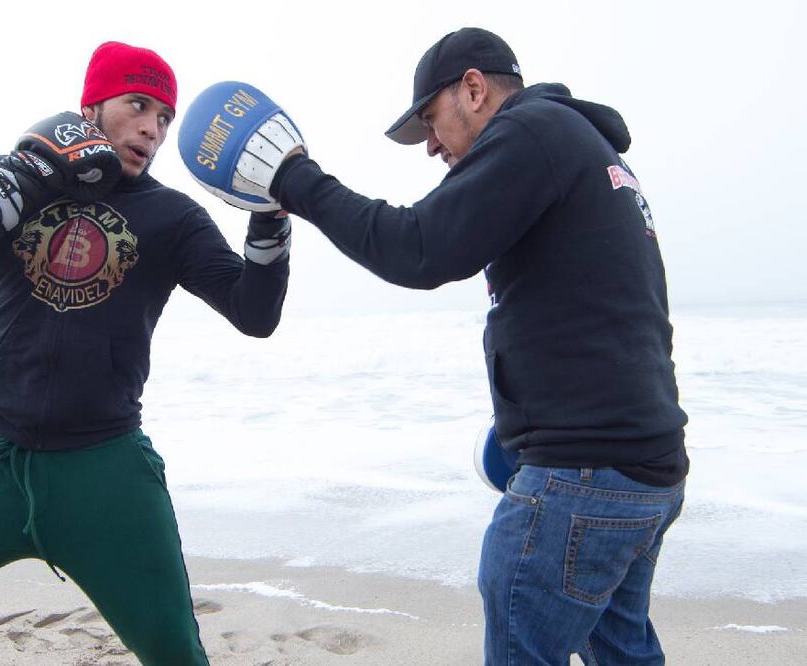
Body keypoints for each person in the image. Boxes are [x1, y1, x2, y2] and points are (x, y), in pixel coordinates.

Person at [0, 41, 291, 666]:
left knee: (178, 654)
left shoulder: (174, 217)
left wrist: (269, 216)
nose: (152, 127)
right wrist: (14, 182)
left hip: (102, 467)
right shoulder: (14, 173)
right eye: (137, 105)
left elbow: (254, 314)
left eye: (164, 118)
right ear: (91, 108)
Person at [266, 27, 688, 665]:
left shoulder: (531, 133)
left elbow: (418, 248)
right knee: (624, 653)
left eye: (431, 122)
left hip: (584, 479)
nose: (430, 145)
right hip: (643, 466)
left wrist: (299, 181)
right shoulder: (586, 148)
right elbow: (613, 313)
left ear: (473, 88)